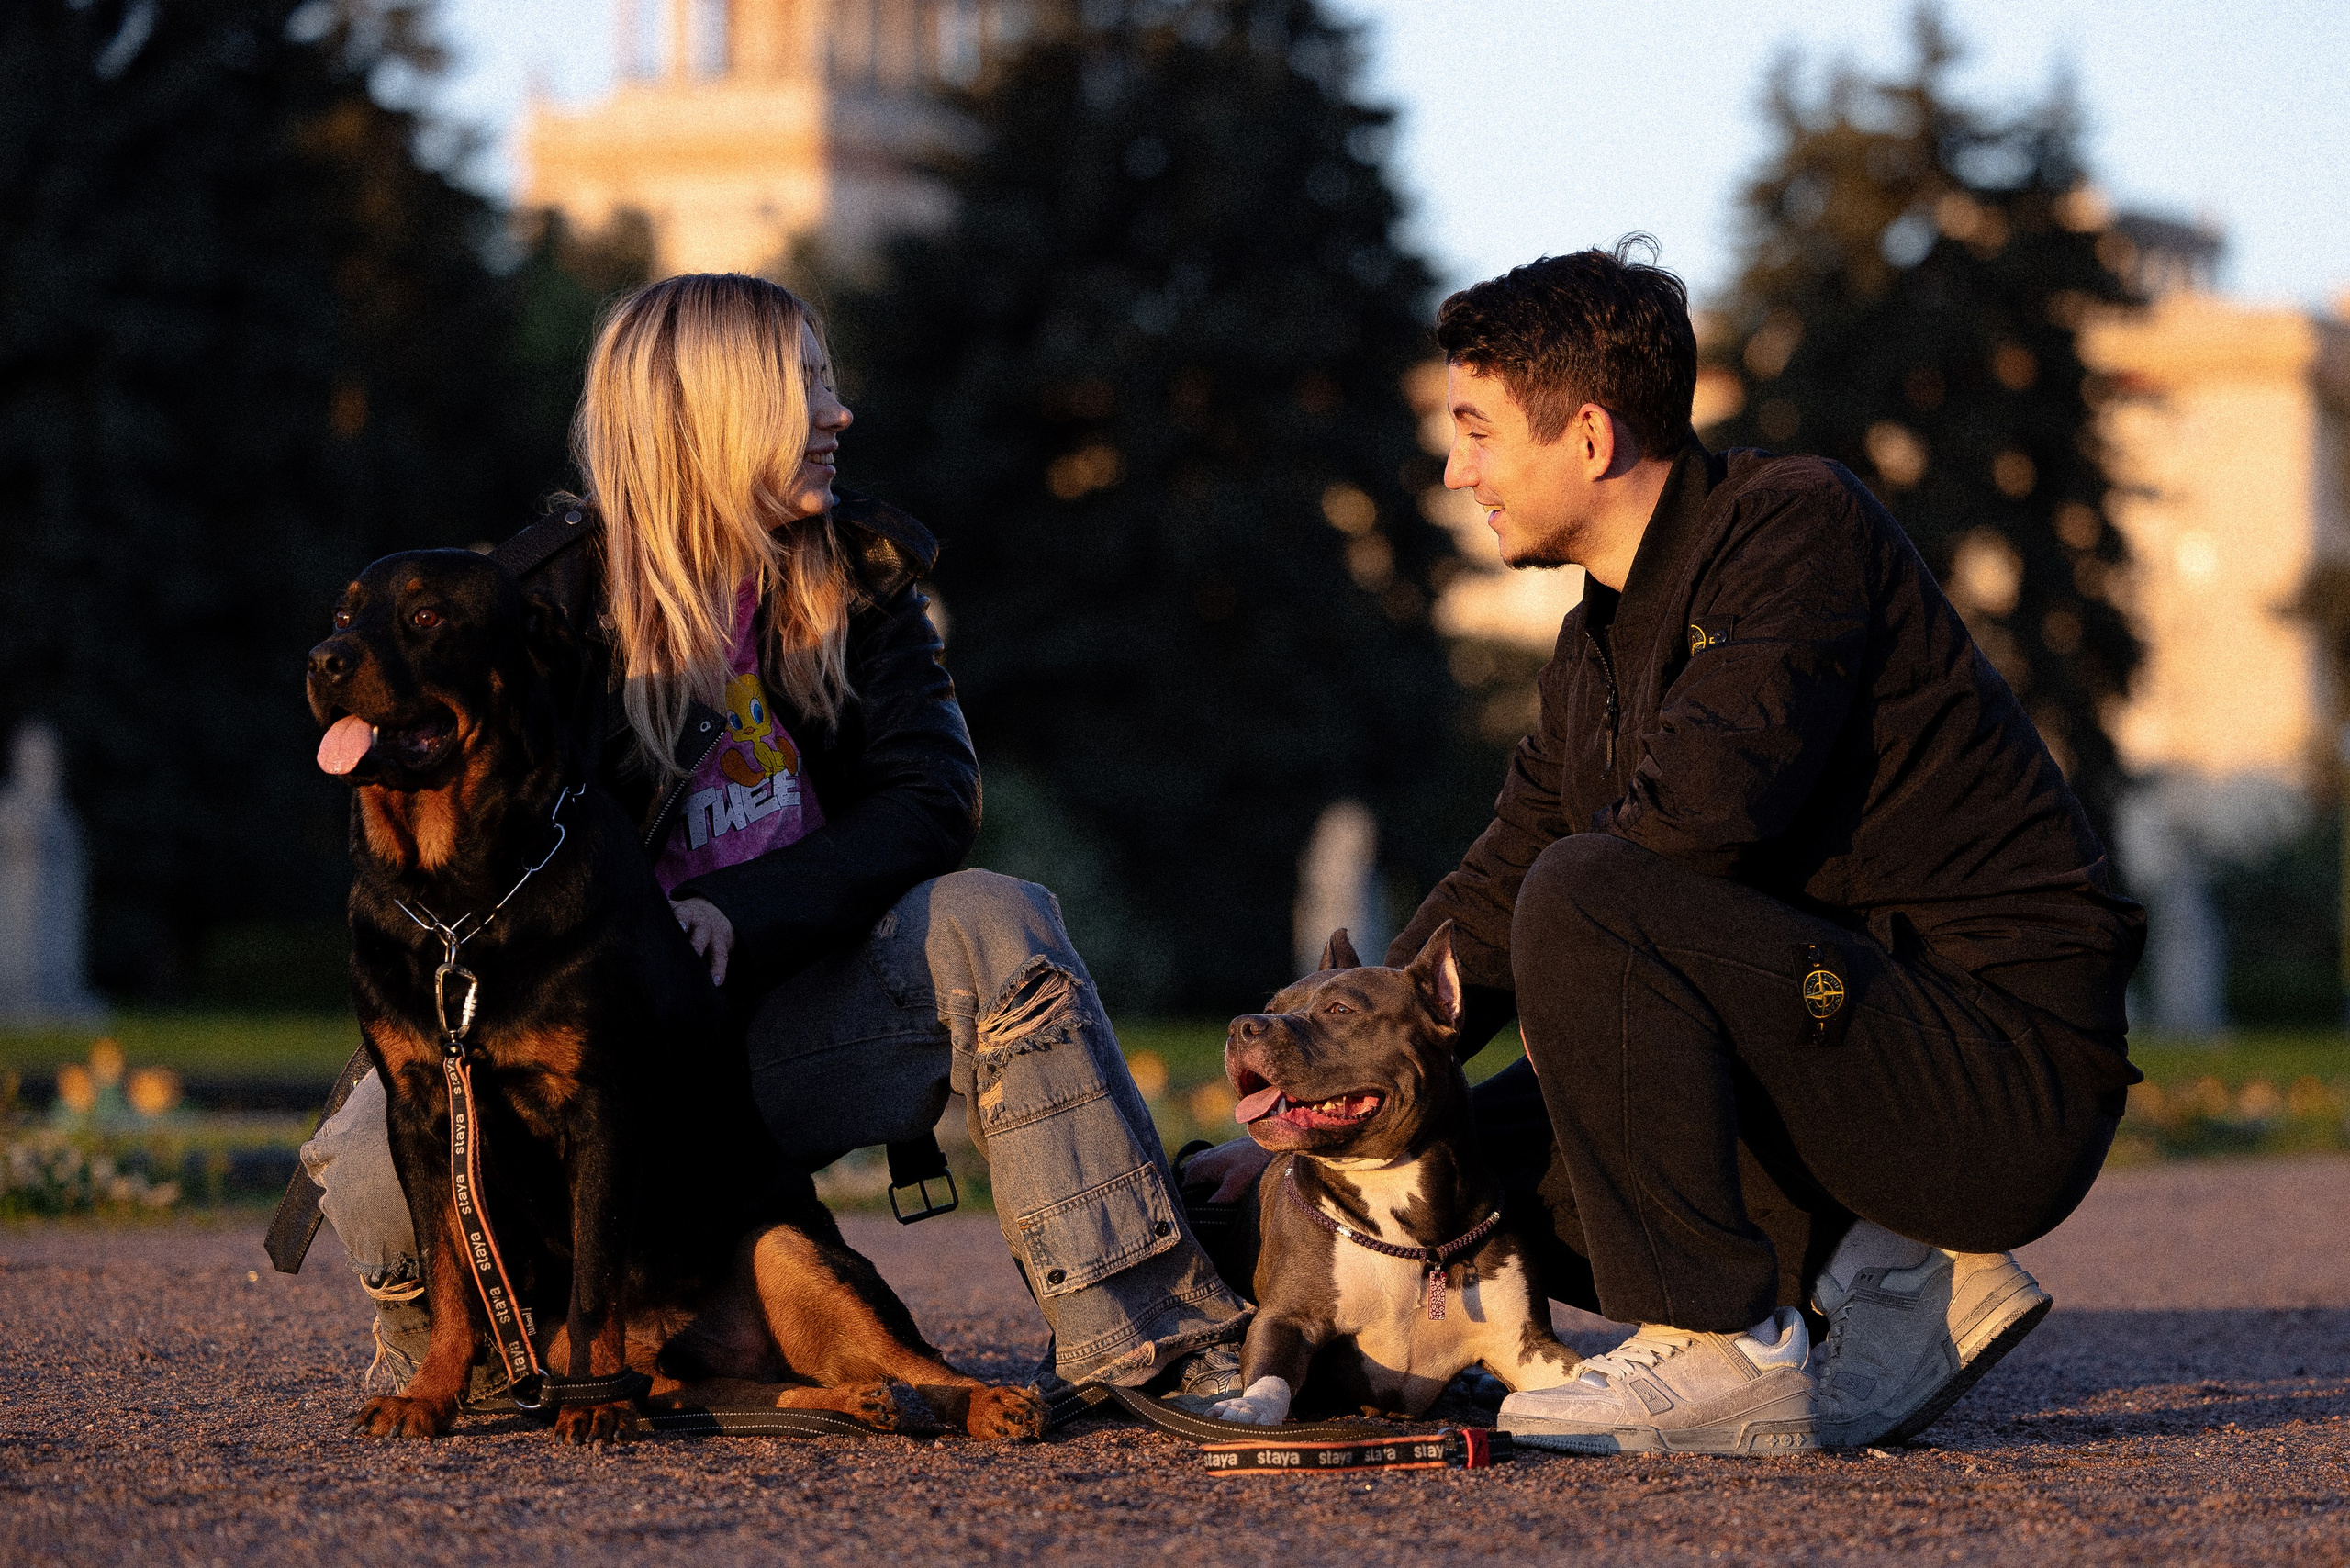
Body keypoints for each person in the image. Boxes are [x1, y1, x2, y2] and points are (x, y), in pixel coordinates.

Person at [1189, 241, 2143, 1453]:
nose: (1453, 467)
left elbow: (1693, 828)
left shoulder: (1796, 525)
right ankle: (1886, 1278)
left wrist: (1578, 985)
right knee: (1431, 1169)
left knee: (1588, 893)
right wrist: (1318, 1091)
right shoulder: (1593, 650)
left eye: (1478, 430)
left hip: (1989, 1075)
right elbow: (1485, 901)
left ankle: (1717, 1346)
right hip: (1829, 1052)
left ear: (1587, 437)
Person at [298, 273, 1247, 1414]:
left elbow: (931, 796)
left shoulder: (863, 579)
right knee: (361, 1166)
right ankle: (470, 1352)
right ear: (706, 415)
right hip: (577, 1039)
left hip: (783, 1033)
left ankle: (1148, 1337)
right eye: (804, 387)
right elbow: (430, 808)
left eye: (830, 384)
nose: (838, 415)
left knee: (997, 916)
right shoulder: (538, 600)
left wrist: (742, 910)